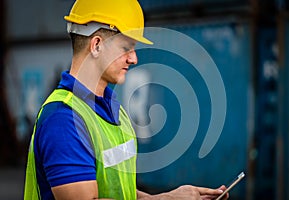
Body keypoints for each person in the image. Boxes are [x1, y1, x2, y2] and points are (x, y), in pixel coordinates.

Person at [24, 0, 229, 199]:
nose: (134, 58)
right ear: (96, 45)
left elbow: (120, 192)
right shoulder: (64, 119)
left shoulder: (113, 109)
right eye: (126, 48)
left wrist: (168, 197)